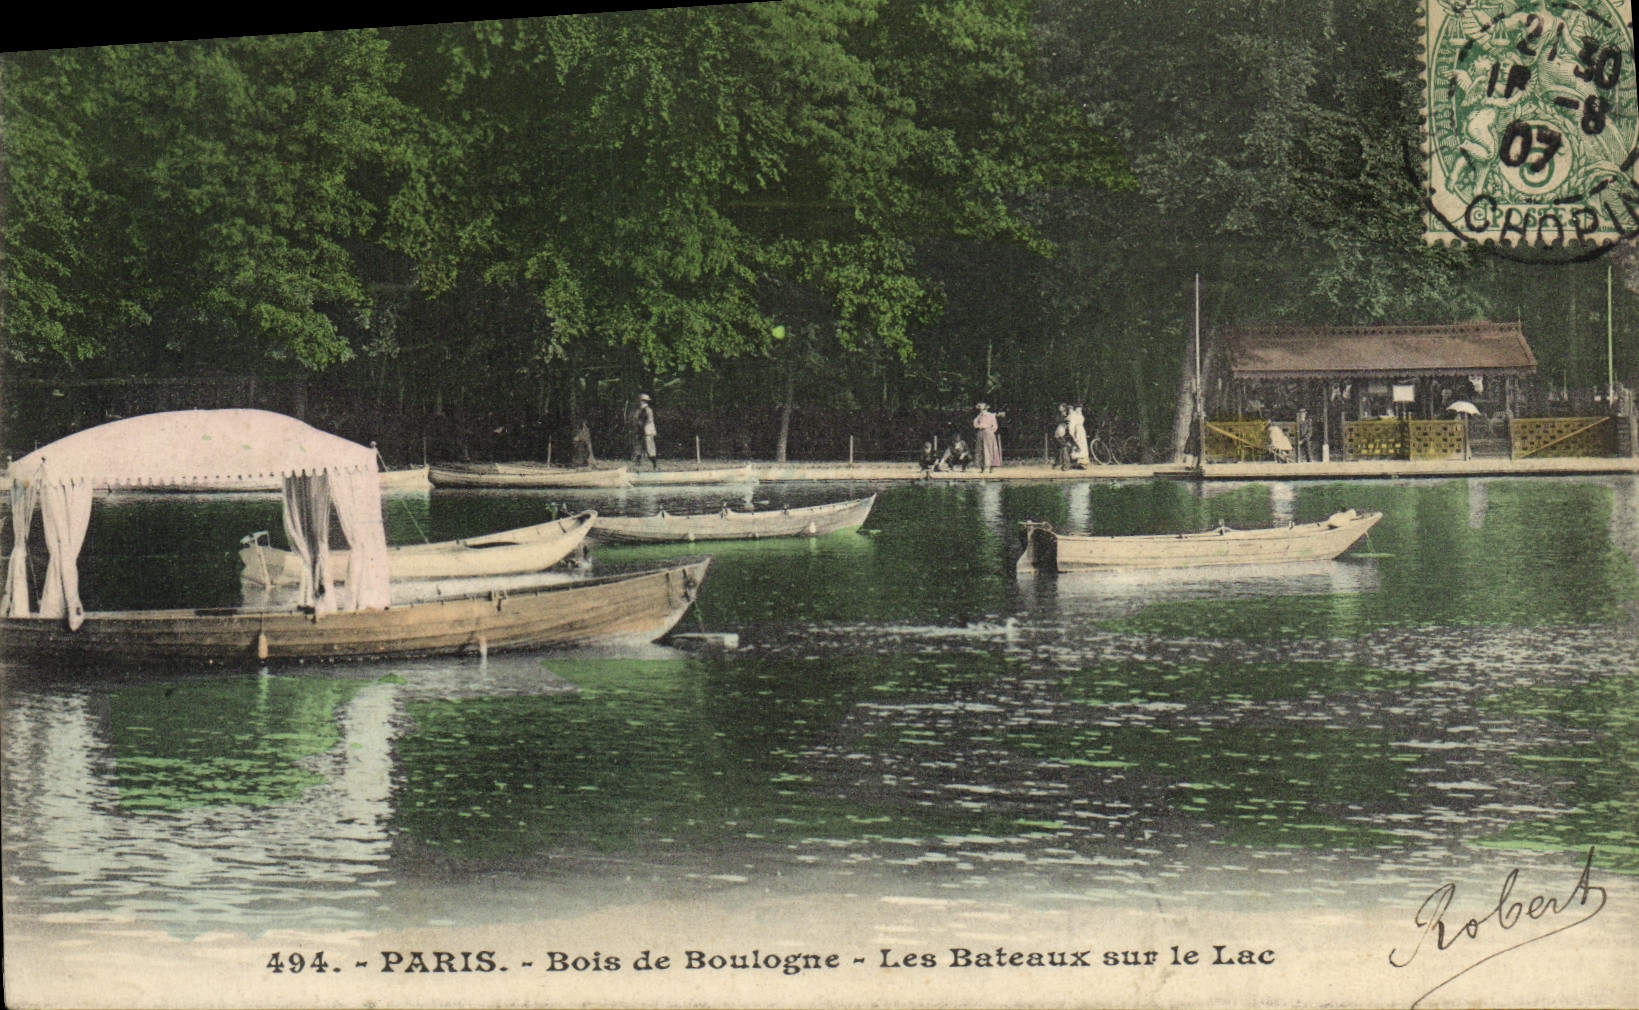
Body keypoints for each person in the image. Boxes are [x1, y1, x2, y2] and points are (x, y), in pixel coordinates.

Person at [630, 393, 658, 470]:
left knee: (650, 447)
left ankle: (654, 465)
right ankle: (638, 465)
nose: (641, 402)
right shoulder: (639, 410)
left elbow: (646, 420)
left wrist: (640, 426)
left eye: (643, 401)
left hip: (647, 430)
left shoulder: (647, 410)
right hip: (641, 430)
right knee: (639, 447)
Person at [972, 402, 1002, 473]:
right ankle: (982, 466)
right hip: (980, 432)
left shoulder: (991, 415)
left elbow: (995, 426)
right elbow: (975, 424)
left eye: (982, 405)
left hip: (988, 432)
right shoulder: (979, 416)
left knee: (988, 449)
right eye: (979, 406)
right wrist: (979, 417)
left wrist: (990, 432)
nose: (980, 407)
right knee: (980, 449)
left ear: (986, 407)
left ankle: (988, 466)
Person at [1065, 403, 1089, 468]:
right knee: (1077, 446)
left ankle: (1083, 462)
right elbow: (1072, 425)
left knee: (1083, 446)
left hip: (1081, 432)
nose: (1079, 411)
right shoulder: (1073, 416)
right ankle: (1077, 462)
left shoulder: (1080, 416)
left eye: (1080, 409)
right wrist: (1073, 434)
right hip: (1077, 432)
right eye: (1078, 409)